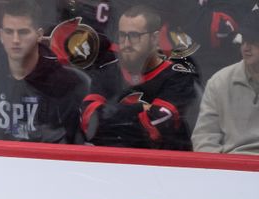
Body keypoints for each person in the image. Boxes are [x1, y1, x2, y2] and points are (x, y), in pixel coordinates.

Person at [0, 0, 89, 142]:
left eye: (23, 32)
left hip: (45, 162)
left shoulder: (65, 85)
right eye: (9, 32)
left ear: (39, 35)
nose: (15, 40)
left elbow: (71, 145)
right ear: (1, 36)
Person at [79, 4, 202, 150]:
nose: (126, 43)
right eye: (122, 35)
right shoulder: (107, 73)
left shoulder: (178, 77)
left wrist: (109, 114)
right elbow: (89, 121)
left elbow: (156, 130)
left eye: (134, 36)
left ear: (155, 38)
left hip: (161, 166)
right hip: (110, 161)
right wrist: (140, 109)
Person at [191, 10, 259, 154]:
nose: (246, 47)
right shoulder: (219, 82)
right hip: (230, 168)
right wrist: (220, 170)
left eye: (254, 41)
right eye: (244, 40)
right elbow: (204, 138)